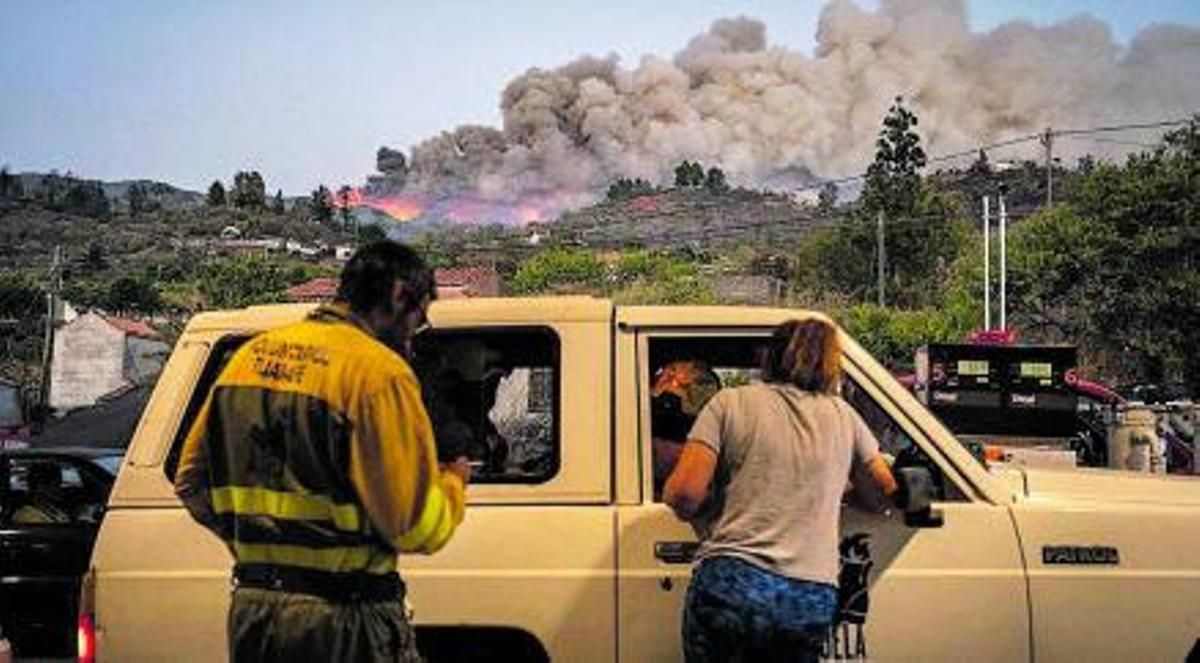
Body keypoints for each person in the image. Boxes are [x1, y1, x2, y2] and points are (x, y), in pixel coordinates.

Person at [174, 240, 470, 663]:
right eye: (418, 320)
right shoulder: (377, 373)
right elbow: (414, 528)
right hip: (344, 619)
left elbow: (190, 481)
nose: (413, 336)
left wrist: (259, 546)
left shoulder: (248, 358)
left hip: (254, 614)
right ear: (400, 296)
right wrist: (454, 482)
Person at [664, 318, 897, 663]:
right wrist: (836, 487)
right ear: (832, 365)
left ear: (770, 357)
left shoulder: (730, 403)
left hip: (731, 583)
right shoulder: (844, 417)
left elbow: (684, 495)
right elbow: (882, 494)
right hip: (806, 596)